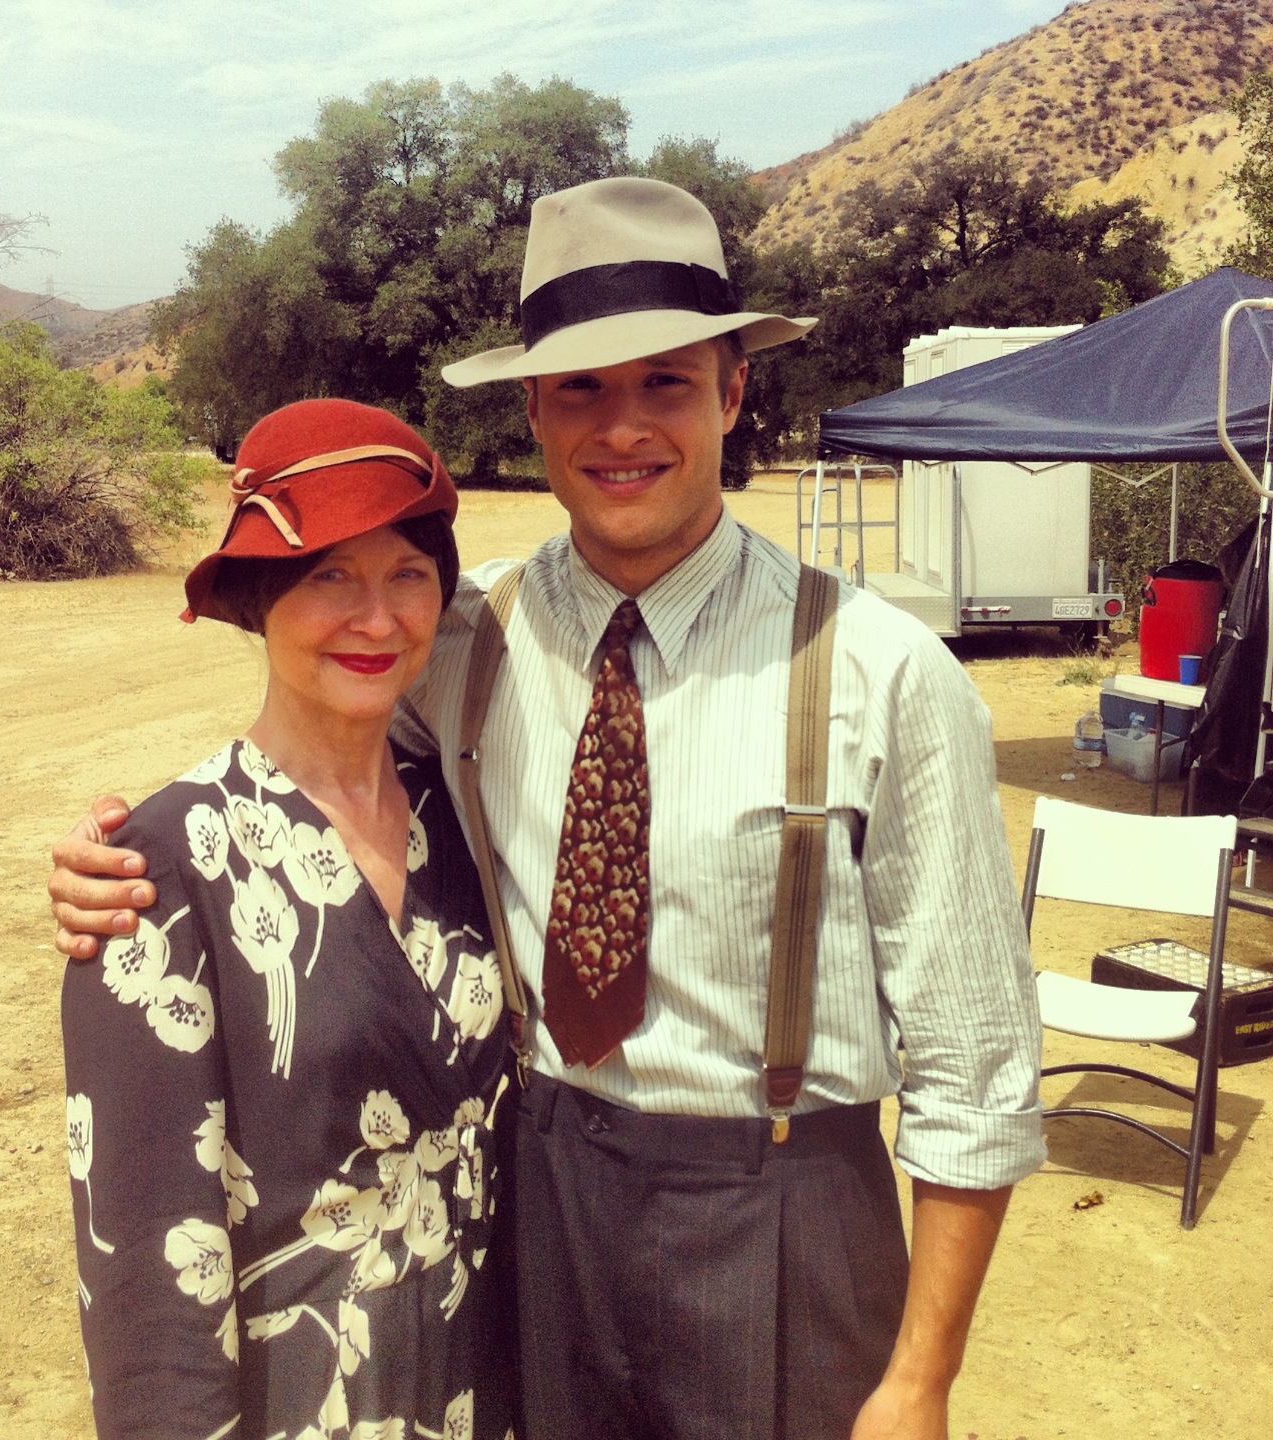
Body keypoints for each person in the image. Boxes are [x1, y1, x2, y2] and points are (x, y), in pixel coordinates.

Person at [51, 178, 1044, 1440]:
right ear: (531, 410)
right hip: (543, 1208)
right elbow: (316, 756)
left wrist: (919, 1381)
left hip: (786, 1212)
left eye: (665, 383)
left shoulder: (883, 674)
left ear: (735, 392)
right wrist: (124, 860)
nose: (621, 428)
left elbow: (977, 1069)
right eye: (580, 386)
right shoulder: (465, 637)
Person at [60, 399, 516, 1440]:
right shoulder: (167, 869)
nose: (378, 618)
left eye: (408, 572)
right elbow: (143, 1260)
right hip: (304, 1404)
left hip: (486, 1386)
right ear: (261, 600)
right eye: (329, 577)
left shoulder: (467, 818)